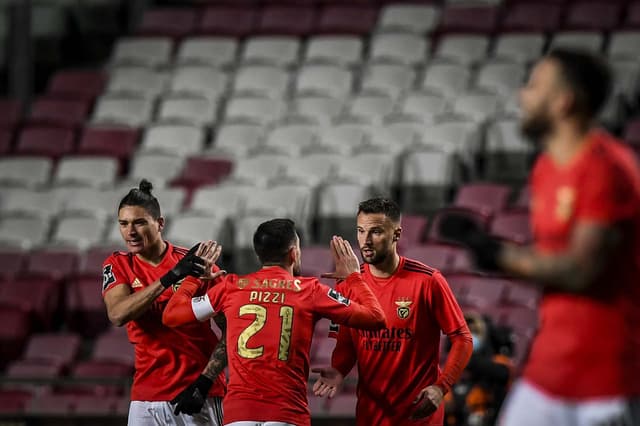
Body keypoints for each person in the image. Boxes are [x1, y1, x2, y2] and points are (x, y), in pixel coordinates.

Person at [439, 48, 640, 425]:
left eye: (534, 86)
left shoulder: (606, 168)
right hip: (550, 367)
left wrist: (494, 253)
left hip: (606, 375)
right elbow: (549, 260)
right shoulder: (546, 168)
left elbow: (581, 269)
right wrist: (493, 250)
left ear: (564, 102)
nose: (522, 95)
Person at [162, 218, 387, 426]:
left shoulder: (231, 287)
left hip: (239, 415)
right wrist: (353, 278)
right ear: (293, 253)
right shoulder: (310, 290)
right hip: (287, 412)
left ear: (259, 255)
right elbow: (376, 318)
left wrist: (193, 278)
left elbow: (171, 316)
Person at [313, 197, 473, 425]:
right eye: (360, 231)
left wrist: (441, 387)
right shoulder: (348, 283)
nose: (365, 241)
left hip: (419, 416)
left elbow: (463, 338)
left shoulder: (428, 281)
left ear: (396, 234)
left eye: (375, 232)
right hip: (371, 416)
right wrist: (339, 369)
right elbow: (347, 342)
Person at [102, 180, 227, 426]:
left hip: (196, 394)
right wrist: (170, 278)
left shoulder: (197, 264)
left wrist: (205, 382)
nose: (131, 232)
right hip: (145, 396)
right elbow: (117, 315)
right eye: (124, 224)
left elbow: (231, 329)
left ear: (160, 224)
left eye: (139, 223)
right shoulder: (118, 264)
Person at [443, 312, 513, 426]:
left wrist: (467, 357)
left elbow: (503, 373)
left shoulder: (498, 364)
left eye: (475, 331)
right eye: (465, 331)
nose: (470, 335)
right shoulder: (448, 366)